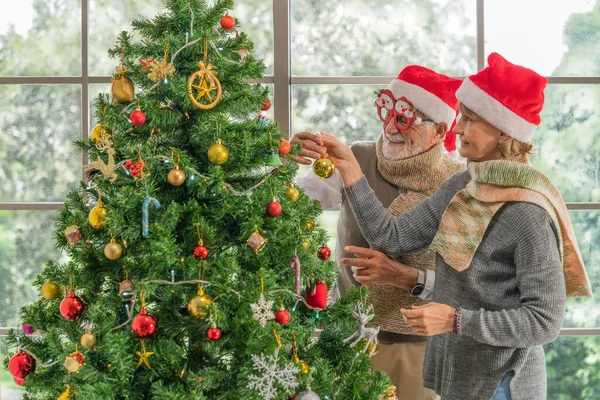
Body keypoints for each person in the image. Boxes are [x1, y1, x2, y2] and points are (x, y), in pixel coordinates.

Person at [317, 52, 592, 400]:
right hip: (457, 380)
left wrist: (454, 320)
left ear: (504, 131)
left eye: (470, 119)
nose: (457, 127)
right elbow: (393, 236)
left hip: (502, 385)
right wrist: (350, 169)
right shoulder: (465, 183)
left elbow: (544, 321)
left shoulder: (527, 210)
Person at [292, 65, 464, 400]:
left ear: (440, 130)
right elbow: (290, 203)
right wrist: (286, 156)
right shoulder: (355, 157)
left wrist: (404, 275)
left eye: (404, 119)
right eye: (387, 110)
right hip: (350, 336)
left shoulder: (457, 184)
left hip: (420, 347)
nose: (389, 127)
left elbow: (468, 284)